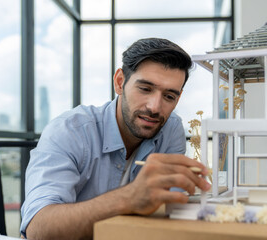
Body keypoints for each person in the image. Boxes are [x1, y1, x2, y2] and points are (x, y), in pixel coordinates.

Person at [20, 38, 211, 240]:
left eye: (169, 96)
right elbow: (38, 229)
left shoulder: (171, 128)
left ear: (178, 98)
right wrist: (129, 198)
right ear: (120, 82)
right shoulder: (69, 131)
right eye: (145, 89)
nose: (155, 107)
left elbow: (171, 208)